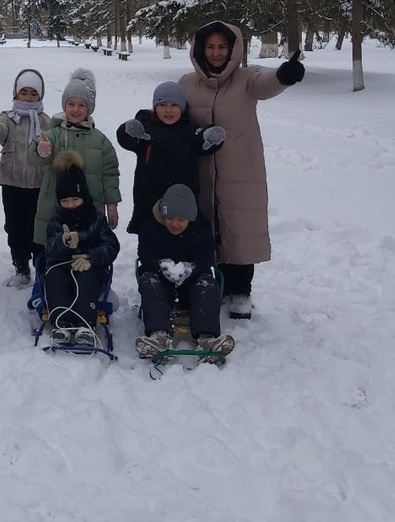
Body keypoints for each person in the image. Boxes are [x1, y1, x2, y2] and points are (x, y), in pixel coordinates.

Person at [179, 21, 305, 318]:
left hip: (241, 169)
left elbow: (267, 83)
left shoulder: (246, 79)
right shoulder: (186, 83)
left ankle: (240, 291)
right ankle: (211, 282)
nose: (216, 52)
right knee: (205, 227)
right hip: (200, 171)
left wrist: (285, 76)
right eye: (210, 46)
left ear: (233, 49)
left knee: (239, 229)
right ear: (200, 49)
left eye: (222, 47)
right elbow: (168, 112)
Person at [135, 184, 235, 363]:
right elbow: (145, 254)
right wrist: (161, 266)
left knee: (208, 283)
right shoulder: (150, 228)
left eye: (181, 219)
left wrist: (191, 268)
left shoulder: (201, 229)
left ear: (191, 218)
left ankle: (207, 338)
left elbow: (207, 257)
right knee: (149, 281)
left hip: (191, 285)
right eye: (169, 218)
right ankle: (159, 336)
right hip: (162, 284)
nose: (174, 224)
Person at [30, 68, 121, 253]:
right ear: (64, 106)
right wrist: (40, 151)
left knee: (87, 250)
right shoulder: (53, 135)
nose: (75, 109)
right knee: (54, 250)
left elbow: (110, 175)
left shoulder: (101, 141)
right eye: (71, 104)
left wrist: (112, 207)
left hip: (90, 210)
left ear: (89, 108)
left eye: (81, 105)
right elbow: (35, 159)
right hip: (54, 209)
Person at [116, 80, 225, 235]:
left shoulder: (189, 131)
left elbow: (202, 138)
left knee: (181, 235)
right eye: (162, 105)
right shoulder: (146, 130)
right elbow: (126, 139)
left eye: (174, 105)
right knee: (152, 236)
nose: (168, 110)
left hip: (182, 196)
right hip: (150, 196)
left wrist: (211, 136)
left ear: (183, 107)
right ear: (154, 108)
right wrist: (128, 130)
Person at [0, 68, 52, 287]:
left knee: (38, 227)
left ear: (40, 96)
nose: (28, 97)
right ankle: (20, 266)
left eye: (33, 93)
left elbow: (55, 144)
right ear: (15, 94)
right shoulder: (8, 118)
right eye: (24, 92)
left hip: (39, 185)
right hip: (12, 183)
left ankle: (42, 266)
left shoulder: (47, 122)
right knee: (15, 227)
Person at [42, 152, 120, 347]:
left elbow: (111, 246)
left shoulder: (96, 220)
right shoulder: (56, 222)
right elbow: (49, 248)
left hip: (89, 265)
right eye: (65, 201)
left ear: (84, 198)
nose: (70, 205)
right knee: (55, 280)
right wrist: (63, 242)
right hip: (61, 264)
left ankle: (86, 324)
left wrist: (91, 257)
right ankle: (60, 323)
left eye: (75, 200)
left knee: (86, 279)